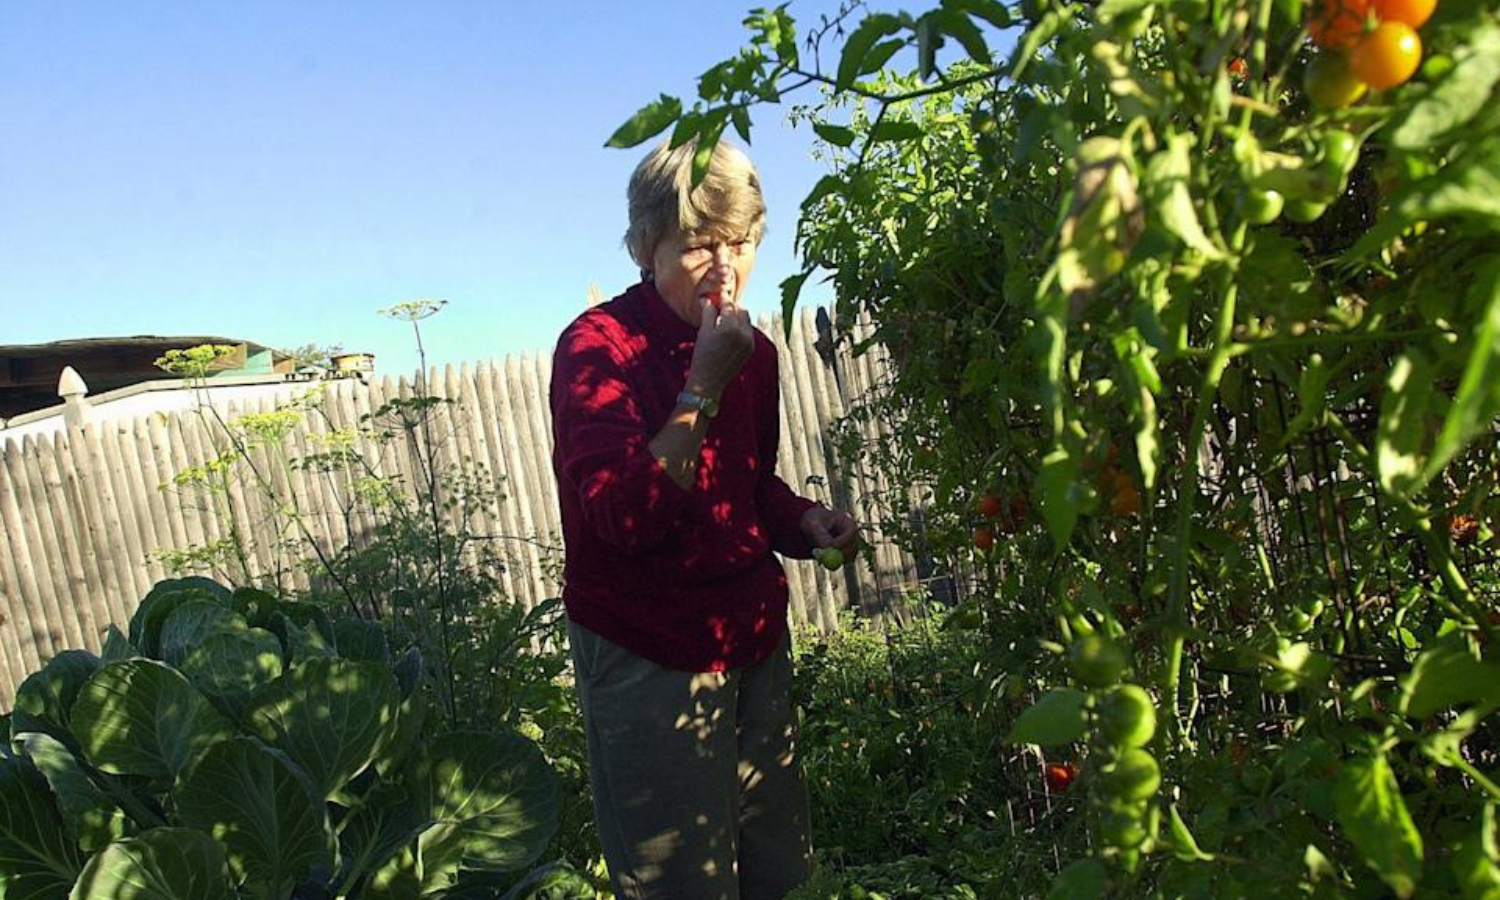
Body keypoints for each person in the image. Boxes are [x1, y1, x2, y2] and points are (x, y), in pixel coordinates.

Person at [548, 137, 859, 900]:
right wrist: (699, 388)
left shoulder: (752, 353)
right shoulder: (598, 351)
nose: (726, 269)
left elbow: (747, 488)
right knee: (681, 884)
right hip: (648, 648)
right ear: (644, 248)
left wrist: (804, 521)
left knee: (780, 873)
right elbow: (625, 518)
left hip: (750, 637)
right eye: (697, 245)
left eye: (741, 242)